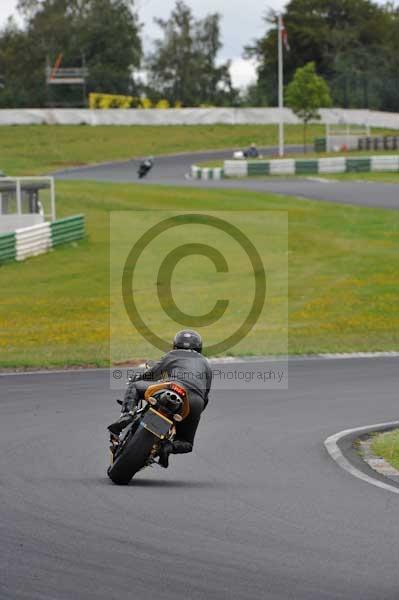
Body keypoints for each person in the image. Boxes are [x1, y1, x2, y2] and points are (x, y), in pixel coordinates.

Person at [108, 329, 212, 468]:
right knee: (186, 442)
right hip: (195, 401)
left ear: (175, 346)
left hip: (172, 387)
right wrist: (193, 414)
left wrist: (137, 378)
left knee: (135, 386)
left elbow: (153, 373)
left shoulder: (173, 354)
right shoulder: (206, 365)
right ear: (200, 348)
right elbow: (205, 397)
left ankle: (127, 415)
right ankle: (167, 448)